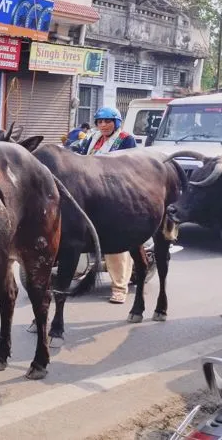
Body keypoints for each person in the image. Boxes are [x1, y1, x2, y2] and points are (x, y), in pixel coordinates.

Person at [76, 106, 137, 304]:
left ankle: (119, 287)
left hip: (115, 193)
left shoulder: (125, 139)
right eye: (100, 122)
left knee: (114, 241)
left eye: (108, 121)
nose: (103, 125)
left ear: (116, 123)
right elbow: (80, 156)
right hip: (90, 191)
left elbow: (129, 166)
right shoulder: (92, 138)